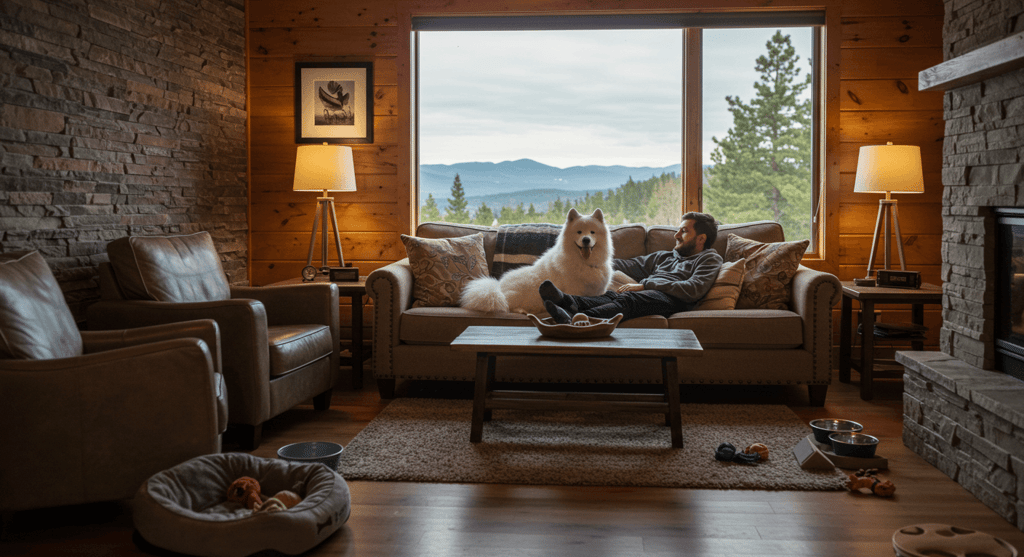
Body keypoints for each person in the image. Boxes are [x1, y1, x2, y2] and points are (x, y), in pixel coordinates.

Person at [540, 212, 723, 323]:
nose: (676, 235)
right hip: (650, 294)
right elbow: (627, 265)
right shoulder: (665, 256)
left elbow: (694, 289)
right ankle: (567, 301)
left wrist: (646, 285)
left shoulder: (709, 259)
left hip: (675, 301)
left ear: (701, 239)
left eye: (683, 231)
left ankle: (576, 320)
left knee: (629, 299)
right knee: (612, 295)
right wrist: (589, 261)